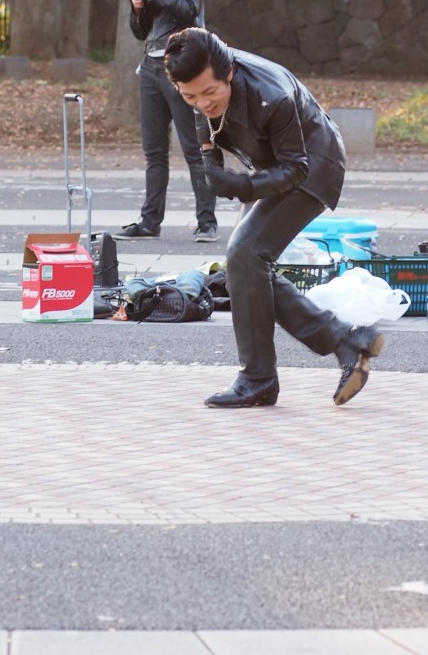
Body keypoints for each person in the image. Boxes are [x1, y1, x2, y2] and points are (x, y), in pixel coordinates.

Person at [163, 27, 384, 408]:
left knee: (246, 254)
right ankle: (345, 341)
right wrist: (209, 163)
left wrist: (241, 185)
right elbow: (205, 127)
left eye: (209, 92)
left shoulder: (272, 94)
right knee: (245, 267)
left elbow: (296, 168)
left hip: (314, 164)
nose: (202, 102)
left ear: (228, 72)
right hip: (273, 166)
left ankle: (258, 378)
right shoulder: (198, 82)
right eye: (190, 96)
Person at [123, 0, 218, 243]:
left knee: (193, 148)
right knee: (154, 150)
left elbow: (188, 10)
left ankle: (207, 222)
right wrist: (137, 7)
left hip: (181, 64)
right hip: (149, 65)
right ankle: (150, 221)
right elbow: (140, 31)